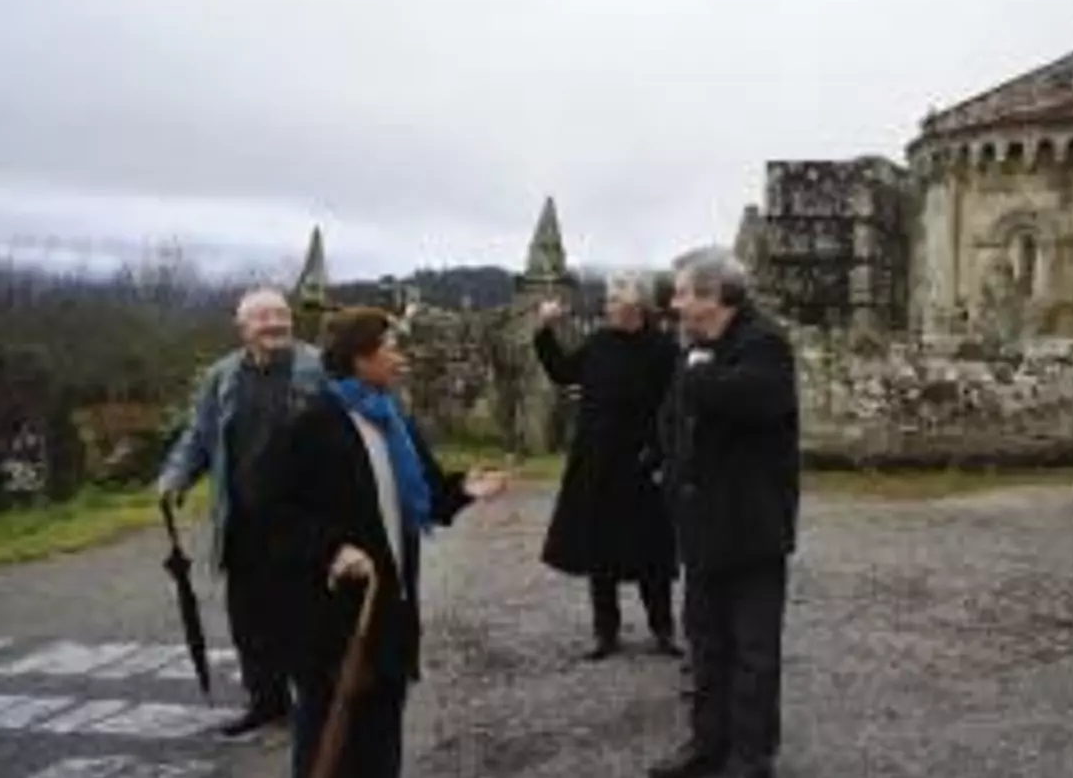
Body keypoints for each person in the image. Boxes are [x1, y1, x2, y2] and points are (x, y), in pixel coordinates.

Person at [261, 307, 510, 777]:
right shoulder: (312, 423)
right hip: (331, 613)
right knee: (329, 735)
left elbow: (426, 494)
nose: (402, 358)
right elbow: (273, 509)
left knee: (380, 734)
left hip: (390, 606)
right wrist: (332, 548)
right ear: (360, 358)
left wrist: (464, 489)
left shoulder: (393, 419)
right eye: (391, 348)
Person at [649, 247, 798, 778]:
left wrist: (696, 373)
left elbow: (755, 399)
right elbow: (672, 418)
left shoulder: (764, 343)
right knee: (706, 644)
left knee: (753, 651)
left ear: (714, 296)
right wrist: (663, 467)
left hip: (751, 525)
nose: (674, 304)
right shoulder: (696, 348)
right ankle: (707, 744)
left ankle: (750, 758)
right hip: (702, 523)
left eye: (682, 294)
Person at [156, 287, 323, 738]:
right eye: (263, 317)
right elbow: (200, 434)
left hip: (305, 520)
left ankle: (316, 705)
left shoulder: (318, 368)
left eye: (281, 315)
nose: (275, 324)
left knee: (306, 614)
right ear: (242, 327)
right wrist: (176, 477)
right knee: (251, 618)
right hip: (243, 520)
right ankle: (267, 702)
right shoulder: (223, 375)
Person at [533, 274, 682, 661]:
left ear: (636, 307)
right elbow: (563, 371)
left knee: (652, 551)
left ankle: (663, 629)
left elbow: (673, 407)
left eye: (615, 300)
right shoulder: (599, 343)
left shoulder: (663, 349)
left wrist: (659, 452)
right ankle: (606, 632)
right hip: (598, 460)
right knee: (600, 551)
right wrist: (545, 331)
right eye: (610, 299)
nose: (608, 306)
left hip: (643, 462)